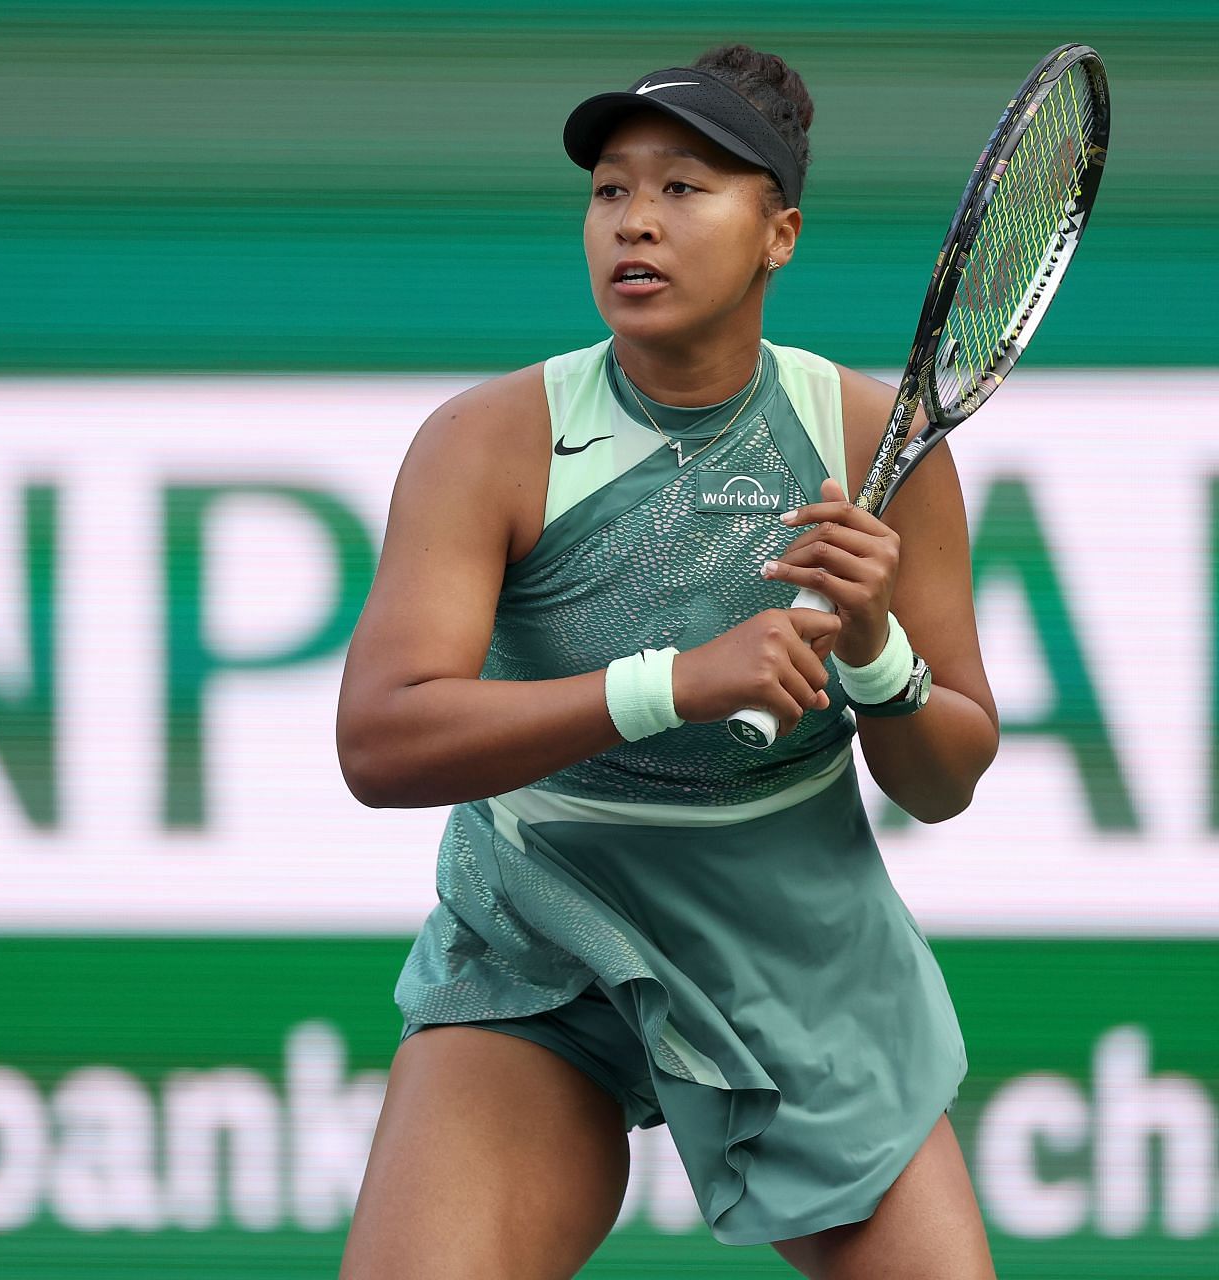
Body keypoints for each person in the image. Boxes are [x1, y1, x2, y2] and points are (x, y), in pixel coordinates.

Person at [335, 42, 1001, 1280]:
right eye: (610, 191)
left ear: (779, 233)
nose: (634, 222)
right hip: (546, 941)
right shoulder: (487, 441)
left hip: (798, 958)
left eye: (684, 189)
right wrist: (674, 681)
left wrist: (874, 649)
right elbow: (379, 739)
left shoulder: (865, 436)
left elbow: (946, 772)